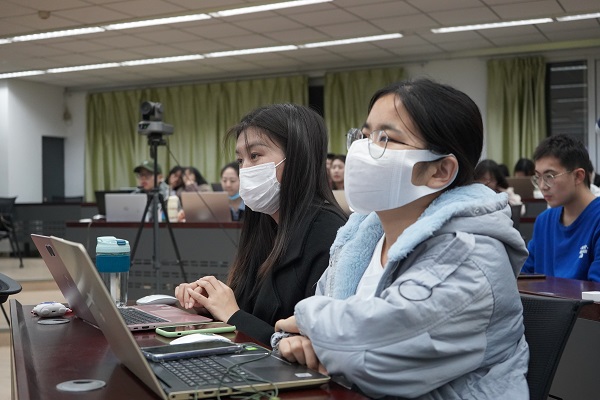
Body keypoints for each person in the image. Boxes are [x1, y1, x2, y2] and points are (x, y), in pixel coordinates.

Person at [274, 79, 529, 399]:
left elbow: (370, 358)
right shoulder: (359, 238)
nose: (362, 150)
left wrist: (308, 323)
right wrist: (297, 341)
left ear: (440, 171)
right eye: (365, 135)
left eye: (385, 138)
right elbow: (298, 333)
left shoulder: (472, 255)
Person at [174, 103, 348, 345]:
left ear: (297, 157)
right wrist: (209, 304)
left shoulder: (329, 233)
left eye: (254, 156)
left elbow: (304, 346)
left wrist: (232, 314)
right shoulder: (265, 223)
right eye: (240, 160)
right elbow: (250, 310)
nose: (244, 170)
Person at [522, 134, 600, 281]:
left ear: (578, 176)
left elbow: (596, 290)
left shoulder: (596, 219)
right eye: (538, 177)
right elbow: (523, 277)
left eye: (549, 177)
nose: (542, 186)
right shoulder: (544, 221)